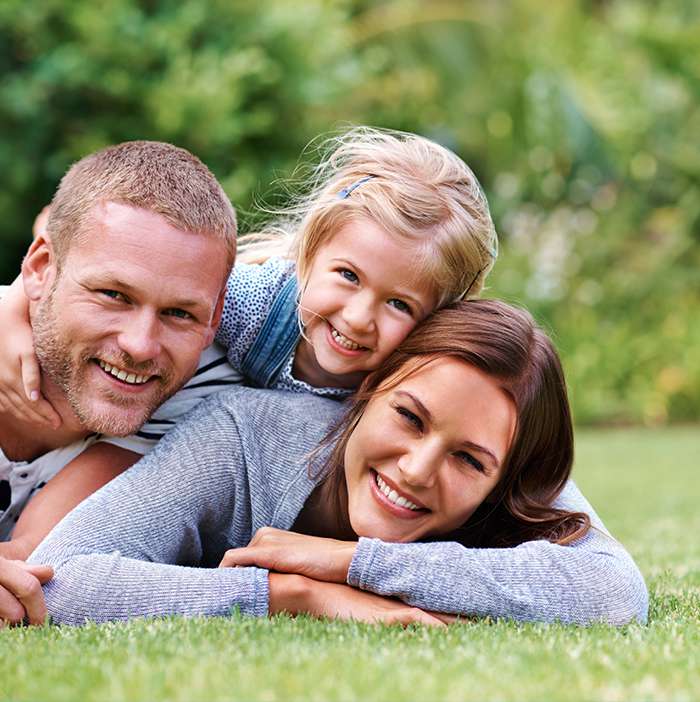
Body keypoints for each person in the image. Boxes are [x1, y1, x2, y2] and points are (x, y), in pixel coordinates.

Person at [1, 127, 497, 567]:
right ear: (308, 254)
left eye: (399, 305)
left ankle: (29, 549)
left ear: (437, 319)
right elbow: (93, 241)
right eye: (347, 276)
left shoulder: (419, 377)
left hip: (179, 439)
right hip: (164, 420)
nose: (359, 318)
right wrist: (13, 307)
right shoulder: (247, 305)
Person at [29, 300, 648, 627]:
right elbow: (55, 581)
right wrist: (289, 594)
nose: (415, 469)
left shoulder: (517, 464)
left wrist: (349, 562)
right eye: (409, 417)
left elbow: (615, 591)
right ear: (369, 388)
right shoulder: (242, 433)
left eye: (468, 460)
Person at [0, 140, 238, 625]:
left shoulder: (202, 393)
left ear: (215, 317)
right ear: (41, 269)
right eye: (114, 294)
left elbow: (32, 560)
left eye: (179, 313)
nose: (141, 345)